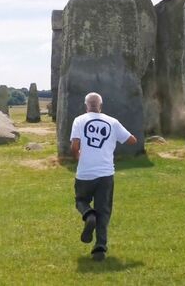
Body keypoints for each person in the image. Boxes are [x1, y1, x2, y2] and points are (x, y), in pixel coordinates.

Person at [70, 92, 137, 261]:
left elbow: (74, 145)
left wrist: (79, 157)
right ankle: (100, 247)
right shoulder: (112, 122)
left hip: (85, 172)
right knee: (104, 210)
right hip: (106, 173)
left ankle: (88, 215)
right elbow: (132, 141)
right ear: (101, 105)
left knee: (81, 200)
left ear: (86, 105)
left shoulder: (79, 120)